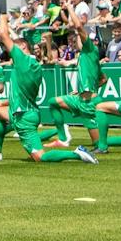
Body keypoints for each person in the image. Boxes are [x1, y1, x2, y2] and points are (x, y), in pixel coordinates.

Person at [0, 17, 97, 165]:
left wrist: (3, 17)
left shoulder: (22, 62)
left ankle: (77, 154)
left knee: (40, 157)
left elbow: (4, 35)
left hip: (23, 116)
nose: (9, 51)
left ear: (22, 49)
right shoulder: (36, 65)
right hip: (28, 111)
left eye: (13, 49)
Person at [50, 27, 103, 155]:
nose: (75, 41)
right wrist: (82, 91)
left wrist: (69, 7)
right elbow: (103, 79)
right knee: (53, 102)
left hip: (88, 101)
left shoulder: (90, 50)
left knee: (100, 145)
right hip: (81, 98)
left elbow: (80, 27)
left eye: (78, 38)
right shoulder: (85, 56)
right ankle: (63, 138)